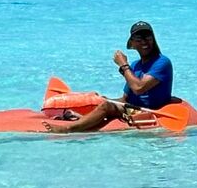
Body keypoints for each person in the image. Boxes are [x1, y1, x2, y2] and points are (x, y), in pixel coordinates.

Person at [43, 21, 174, 132]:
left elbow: (138, 88)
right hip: (131, 107)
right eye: (139, 39)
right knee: (103, 101)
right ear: (133, 44)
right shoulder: (135, 65)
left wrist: (123, 65)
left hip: (149, 111)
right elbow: (125, 99)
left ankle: (67, 129)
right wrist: (103, 100)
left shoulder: (162, 62)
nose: (144, 42)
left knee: (107, 106)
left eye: (148, 37)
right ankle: (80, 118)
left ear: (153, 39)